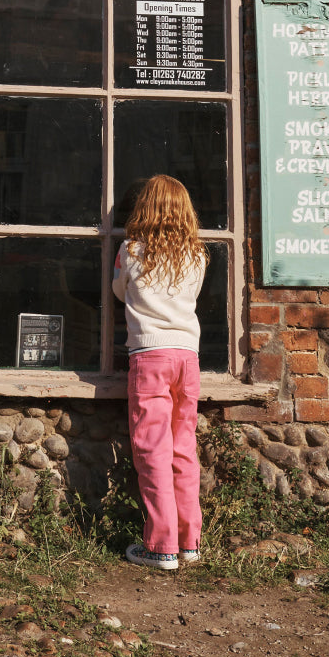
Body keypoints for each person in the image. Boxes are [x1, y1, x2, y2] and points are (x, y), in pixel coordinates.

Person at [113, 174, 207, 571]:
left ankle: (161, 546)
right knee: (183, 448)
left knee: (152, 450)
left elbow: (120, 291)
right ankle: (190, 542)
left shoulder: (130, 250)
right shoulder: (198, 255)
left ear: (144, 208)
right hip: (188, 357)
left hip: (150, 356)